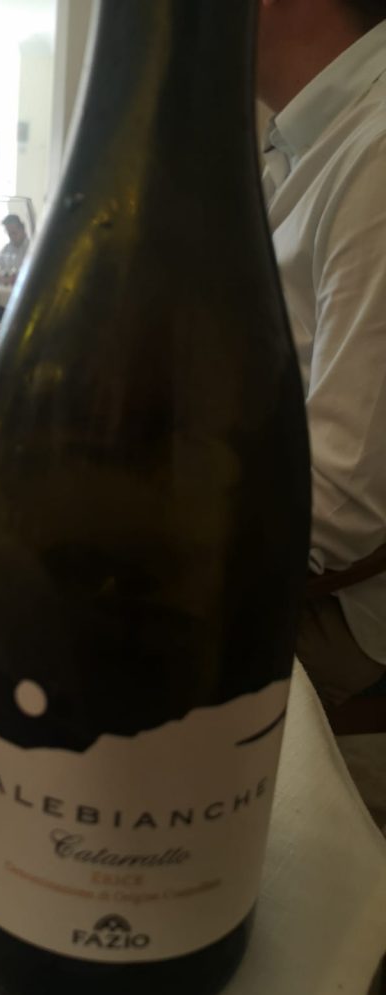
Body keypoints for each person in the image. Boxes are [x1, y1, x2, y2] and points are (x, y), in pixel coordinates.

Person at [256, 0, 386, 709]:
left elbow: (340, 501)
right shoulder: (303, 144)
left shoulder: (377, 151)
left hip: (328, 604)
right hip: (271, 536)